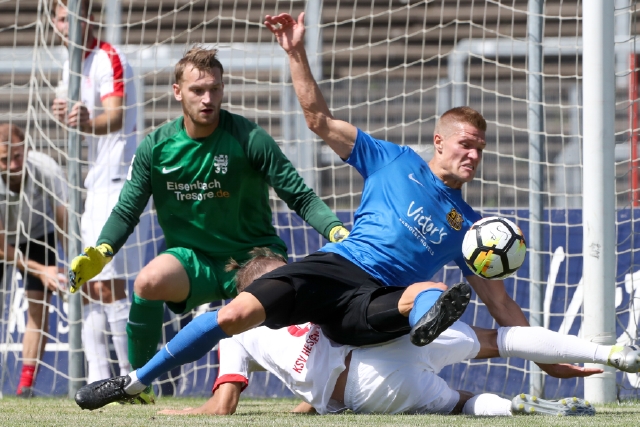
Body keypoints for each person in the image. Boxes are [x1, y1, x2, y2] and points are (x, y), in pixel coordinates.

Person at [71, 12, 585, 409]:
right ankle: (133, 381)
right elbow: (318, 119)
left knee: (423, 298)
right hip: (336, 267)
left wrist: (552, 363)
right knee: (232, 314)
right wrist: (296, 52)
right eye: (465, 144)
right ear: (439, 141)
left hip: (377, 303)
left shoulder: (472, 230)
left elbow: (501, 305)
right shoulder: (392, 159)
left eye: (480, 149)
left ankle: (419, 322)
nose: (473, 155)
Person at [66, 41, 350, 403]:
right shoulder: (156, 147)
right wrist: (103, 250)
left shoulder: (250, 138)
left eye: (215, 89)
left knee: (283, 293)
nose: (207, 99)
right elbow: (126, 211)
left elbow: (300, 196)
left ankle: (327, 382)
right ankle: (140, 386)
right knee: (148, 281)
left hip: (252, 255)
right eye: (197, 90)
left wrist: (335, 229)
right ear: (177, 92)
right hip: (194, 261)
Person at [158, 254, 637, 417]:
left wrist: (181, 411)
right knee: (499, 340)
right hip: (389, 337)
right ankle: (610, 351)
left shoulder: (236, 330)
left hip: (366, 384)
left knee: (457, 403)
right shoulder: (313, 288)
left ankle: (514, 408)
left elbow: (224, 404)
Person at [51, 0, 151, 386]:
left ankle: (130, 379)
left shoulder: (109, 57)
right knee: (86, 281)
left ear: (89, 18)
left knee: (110, 282)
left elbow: (115, 116)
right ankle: (97, 378)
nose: (67, 25)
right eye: (61, 18)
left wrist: (86, 121)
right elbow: (78, 114)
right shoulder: (70, 65)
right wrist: (65, 113)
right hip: (94, 183)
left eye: (73, 16)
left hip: (120, 182)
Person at [0, 123, 67, 397]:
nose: (13, 165)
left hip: (39, 234)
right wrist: (42, 271)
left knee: (38, 309)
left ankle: (25, 387)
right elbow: (2, 248)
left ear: (26, 149)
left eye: (18, 156)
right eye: (5, 159)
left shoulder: (46, 168)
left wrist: (73, 264)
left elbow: (63, 222)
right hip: (3, 241)